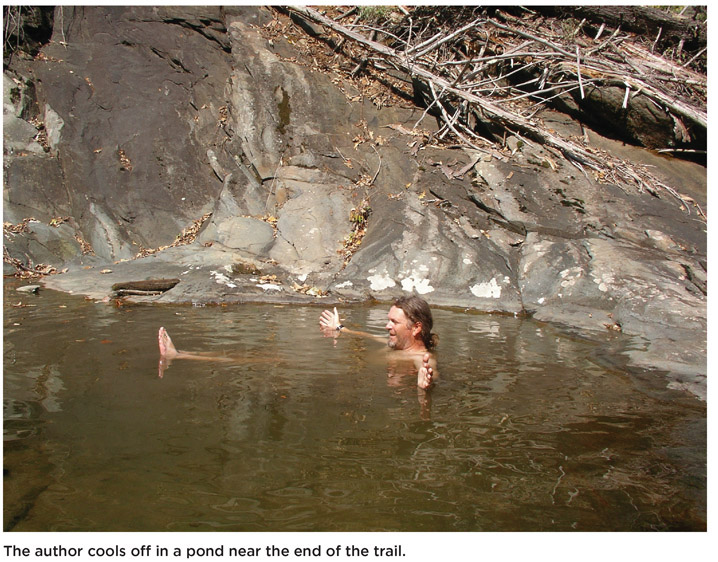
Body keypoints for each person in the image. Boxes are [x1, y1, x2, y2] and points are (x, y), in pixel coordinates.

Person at [319, 295, 438, 390]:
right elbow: (367, 335)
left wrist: (425, 387)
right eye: (388, 320)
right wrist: (339, 328)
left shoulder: (421, 358)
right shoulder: (396, 345)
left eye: (394, 322)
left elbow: (431, 373)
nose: (387, 326)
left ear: (416, 328)